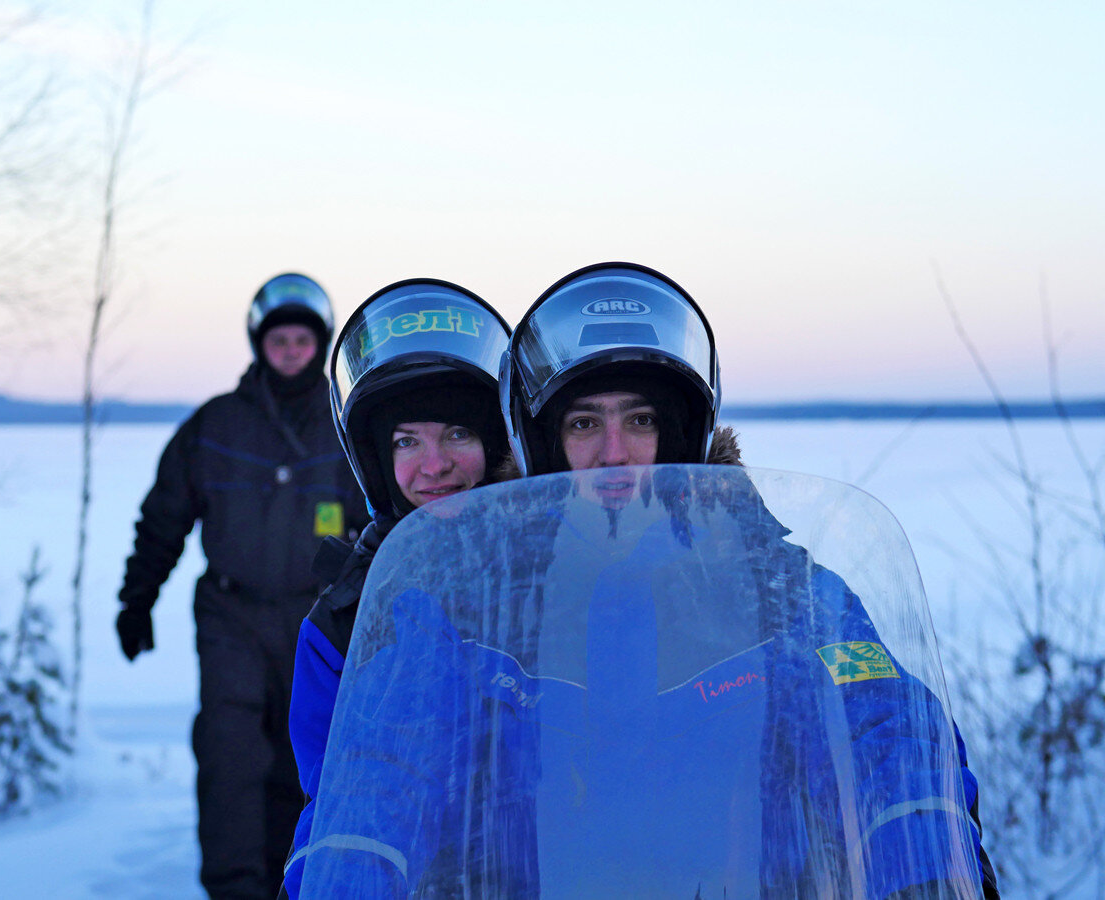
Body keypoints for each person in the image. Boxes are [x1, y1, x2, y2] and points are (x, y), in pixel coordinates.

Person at [499, 261, 1000, 898]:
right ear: (546, 442)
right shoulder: (505, 594)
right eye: (584, 424)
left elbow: (882, 719)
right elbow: (402, 769)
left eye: (641, 420)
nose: (615, 452)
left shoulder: (769, 579)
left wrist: (926, 861)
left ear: (679, 434)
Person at [115, 273, 370, 900]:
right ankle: (234, 889)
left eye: (301, 339)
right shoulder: (215, 427)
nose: (289, 350)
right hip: (232, 615)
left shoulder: (347, 428)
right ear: (260, 344)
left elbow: (385, 519)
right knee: (230, 757)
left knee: (307, 757)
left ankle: (299, 882)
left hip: (320, 622)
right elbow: (164, 516)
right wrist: (137, 599)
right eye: (277, 339)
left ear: (320, 343)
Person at [281, 279, 512, 899]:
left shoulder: (553, 578)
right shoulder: (349, 619)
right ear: (378, 461)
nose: (433, 465)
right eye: (406, 441)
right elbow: (336, 802)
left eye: (458, 433)